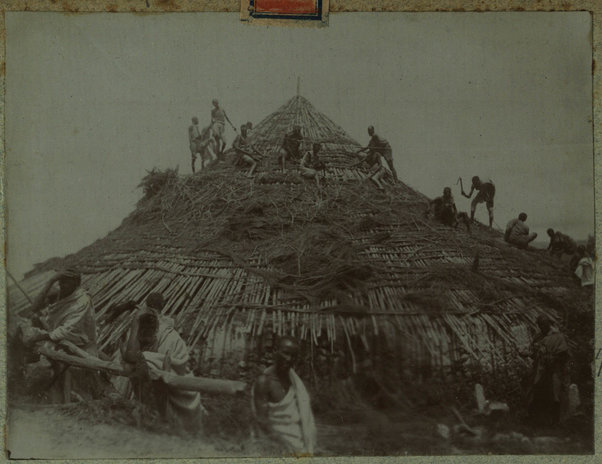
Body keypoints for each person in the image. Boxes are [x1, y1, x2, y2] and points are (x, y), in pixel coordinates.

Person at [121, 293, 204, 431]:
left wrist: (135, 322)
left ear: (148, 306)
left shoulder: (151, 324)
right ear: (162, 307)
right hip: (176, 374)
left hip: (172, 374)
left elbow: (130, 355)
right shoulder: (164, 327)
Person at [23, 268, 99, 403]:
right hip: (57, 340)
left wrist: (39, 337)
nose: (62, 285)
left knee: (82, 388)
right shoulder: (60, 293)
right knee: (46, 377)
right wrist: (51, 281)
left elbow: (65, 330)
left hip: (80, 346)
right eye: (60, 282)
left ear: (76, 283)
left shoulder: (82, 301)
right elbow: (34, 307)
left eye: (66, 283)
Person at [252, 336, 317, 455]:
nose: (289, 359)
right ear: (275, 352)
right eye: (285, 353)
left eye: (294, 356)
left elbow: (303, 417)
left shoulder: (294, 382)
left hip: (299, 445)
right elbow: (262, 421)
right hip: (277, 447)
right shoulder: (264, 382)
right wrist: (283, 444)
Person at [526, 314, 570, 426]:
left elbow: (564, 355)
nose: (542, 327)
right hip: (540, 370)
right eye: (540, 325)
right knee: (535, 391)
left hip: (554, 369)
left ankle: (556, 421)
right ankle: (538, 420)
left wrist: (553, 358)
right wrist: (527, 354)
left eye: (544, 325)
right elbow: (533, 353)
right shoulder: (538, 337)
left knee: (555, 393)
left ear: (548, 324)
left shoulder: (558, 337)